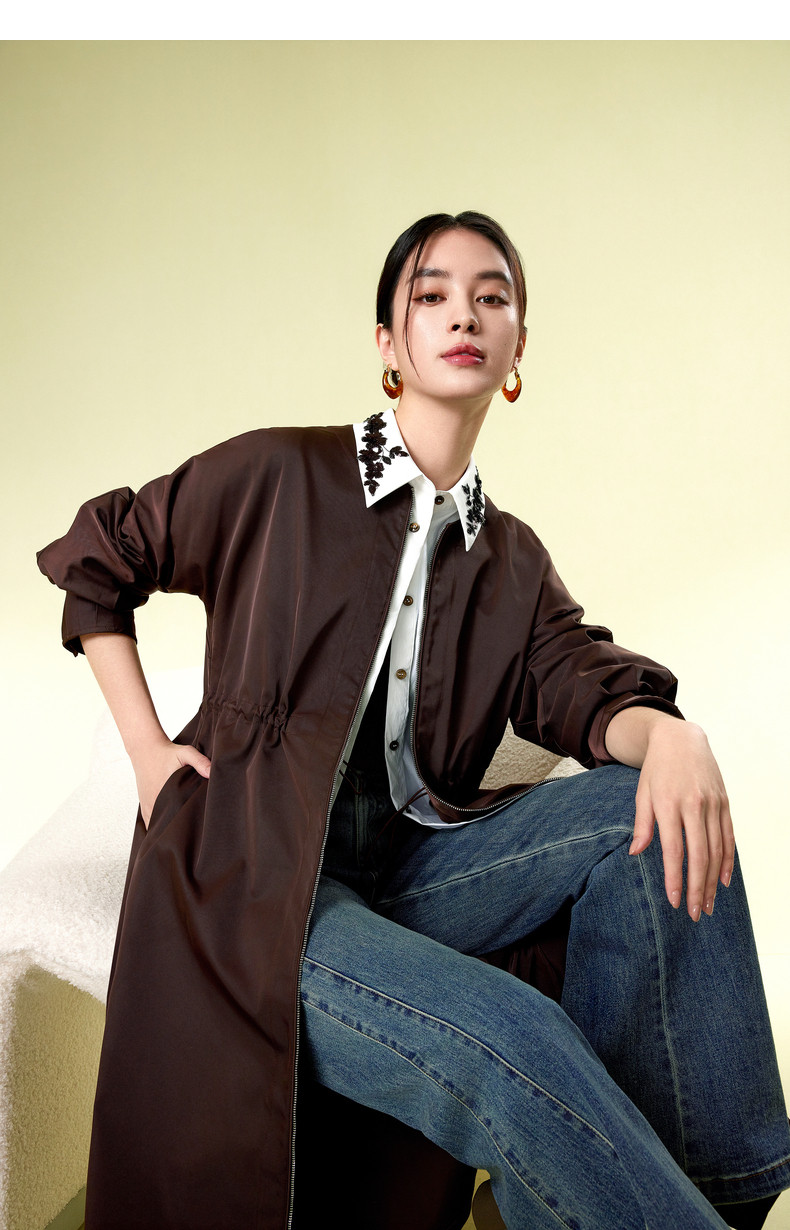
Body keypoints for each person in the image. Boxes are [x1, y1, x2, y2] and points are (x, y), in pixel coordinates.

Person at [37, 211, 790, 1230]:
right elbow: (98, 558)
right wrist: (148, 755)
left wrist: (672, 736)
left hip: (412, 870)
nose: (463, 315)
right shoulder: (279, 475)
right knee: (514, 1037)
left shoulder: (510, 559)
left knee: (648, 810)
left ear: (518, 348)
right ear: (389, 343)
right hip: (259, 884)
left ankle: (714, 1198)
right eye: (431, 295)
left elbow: (583, 688)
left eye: (491, 297)